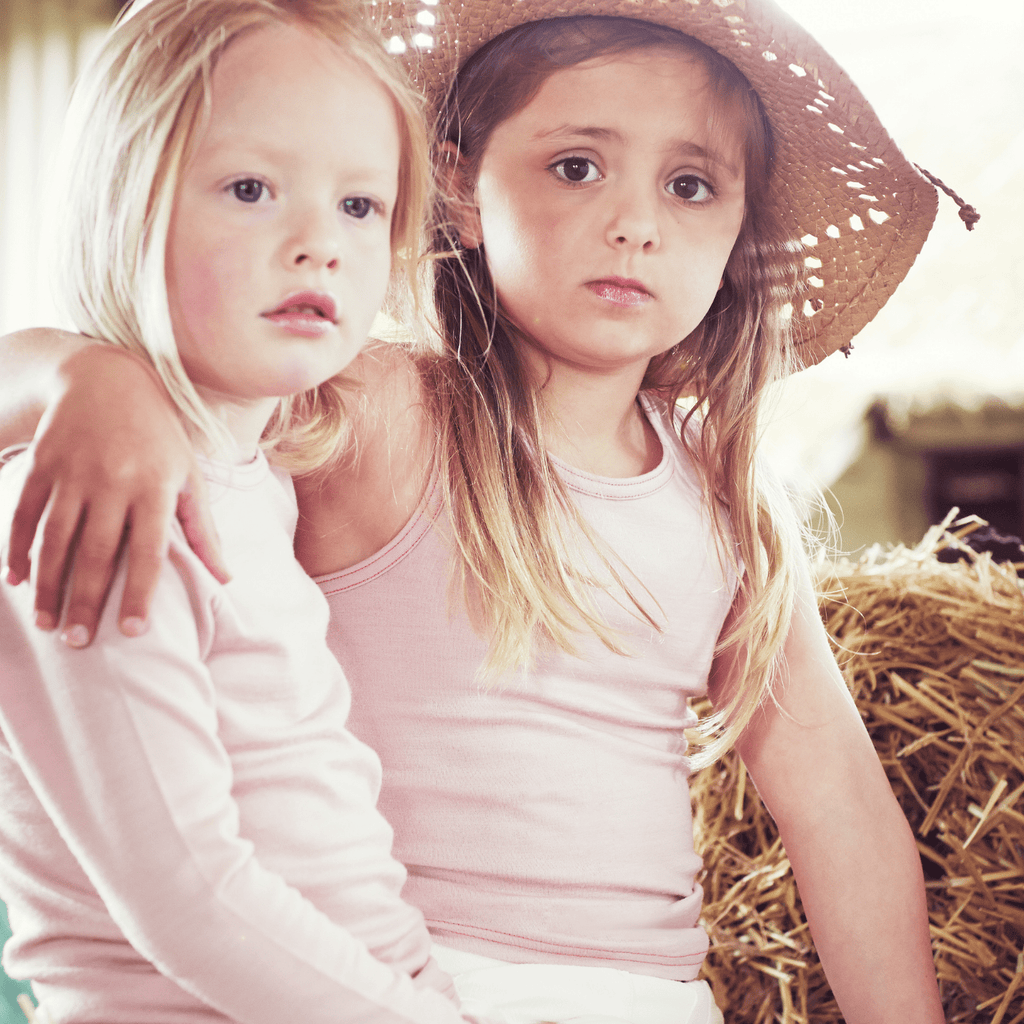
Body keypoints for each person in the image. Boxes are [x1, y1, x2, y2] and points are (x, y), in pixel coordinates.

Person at [0, 1, 972, 1022]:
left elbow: (840, 813)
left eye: (689, 186)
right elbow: (189, 391)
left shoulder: (732, 505)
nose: (635, 222)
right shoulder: (377, 407)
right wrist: (79, 374)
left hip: (651, 996)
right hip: (382, 976)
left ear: (738, 233)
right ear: (459, 185)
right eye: (576, 166)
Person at [0, 1, 478, 1022]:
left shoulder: (254, 471)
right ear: (128, 206)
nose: (319, 244)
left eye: (360, 205)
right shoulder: (105, 492)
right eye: (252, 189)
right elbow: (189, 897)